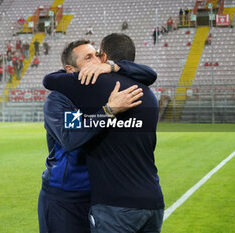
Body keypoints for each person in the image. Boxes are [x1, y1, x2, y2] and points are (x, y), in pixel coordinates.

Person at [43, 34, 164, 233]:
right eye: (89, 58)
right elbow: (71, 136)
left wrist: (113, 66)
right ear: (70, 70)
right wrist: (108, 111)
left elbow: (150, 73)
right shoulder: (62, 98)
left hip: (97, 196)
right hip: (66, 195)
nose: (98, 61)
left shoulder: (102, 89)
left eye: (98, 56)